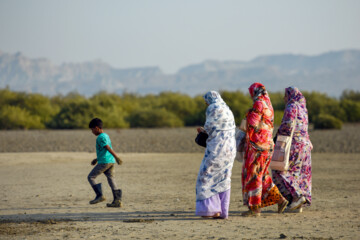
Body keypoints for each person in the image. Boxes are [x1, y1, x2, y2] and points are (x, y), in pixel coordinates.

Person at [241, 83, 288, 216]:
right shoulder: (268, 104)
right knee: (262, 175)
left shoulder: (258, 104)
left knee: (254, 175)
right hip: (267, 145)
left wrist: (248, 113)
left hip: (258, 146)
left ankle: (255, 208)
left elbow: (252, 123)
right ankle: (280, 200)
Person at [195, 91, 237, 219]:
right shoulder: (227, 109)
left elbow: (210, 129)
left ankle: (210, 210)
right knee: (223, 179)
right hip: (230, 150)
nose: (206, 103)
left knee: (206, 177)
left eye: (206, 101)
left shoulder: (212, 108)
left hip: (216, 150)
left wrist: (202, 131)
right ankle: (222, 211)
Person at [272, 87, 312, 212]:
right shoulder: (303, 108)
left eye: (285, 95)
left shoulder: (292, 107)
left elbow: (287, 125)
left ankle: (298, 196)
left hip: (293, 144)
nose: (284, 98)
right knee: (297, 173)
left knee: (278, 170)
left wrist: (276, 138)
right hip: (305, 145)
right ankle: (296, 203)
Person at [88, 118, 123, 207]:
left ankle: (100, 195)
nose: (92, 132)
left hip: (105, 162)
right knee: (111, 179)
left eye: (92, 129)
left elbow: (107, 147)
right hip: (110, 161)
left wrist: (117, 156)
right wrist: (96, 159)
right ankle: (117, 201)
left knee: (91, 177)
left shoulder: (100, 137)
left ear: (97, 128)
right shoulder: (106, 135)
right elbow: (104, 149)